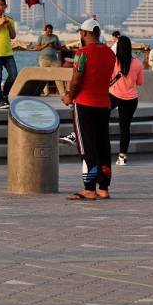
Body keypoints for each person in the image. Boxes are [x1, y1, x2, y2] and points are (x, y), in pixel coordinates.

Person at [63, 19, 117, 201]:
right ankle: (103, 187)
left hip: (84, 104)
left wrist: (69, 96)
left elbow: (77, 78)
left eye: (81, 33)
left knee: (87, 147)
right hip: (103, 104)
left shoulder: (82, 53)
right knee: (103, 144)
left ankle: (89, 188)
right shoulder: (110, 53)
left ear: (85, 34)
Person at [109, 35, 142, 166]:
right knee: (125, 128)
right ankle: (122, 157)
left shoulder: (113, 61)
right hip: (131, 99)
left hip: (113, 95)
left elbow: (108, 79)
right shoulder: (138, 63)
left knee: (98, 118)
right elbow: (140, 82)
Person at [35, 24, 62, 95]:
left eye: (51, 31)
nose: (50, 33)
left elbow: (60, 47)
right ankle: (46, 93)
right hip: (44, 59)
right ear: (45, 30)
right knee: (44, 76)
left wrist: (53, 46)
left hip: (54, 59)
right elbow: (37, 48)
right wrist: (46, 45)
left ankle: (62, 93)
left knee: (58, 76)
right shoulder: (41, 37)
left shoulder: (55, 37)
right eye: (48, 31)